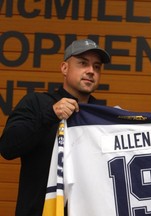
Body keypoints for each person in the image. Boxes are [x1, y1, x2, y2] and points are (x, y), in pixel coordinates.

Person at [0, 38, 110, 216]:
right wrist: (50, 115)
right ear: (64, 68)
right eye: (83, 63)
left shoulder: (102, 116)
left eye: (97, 67)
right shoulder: (36, 103)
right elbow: (7, 147)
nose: (91, 71)